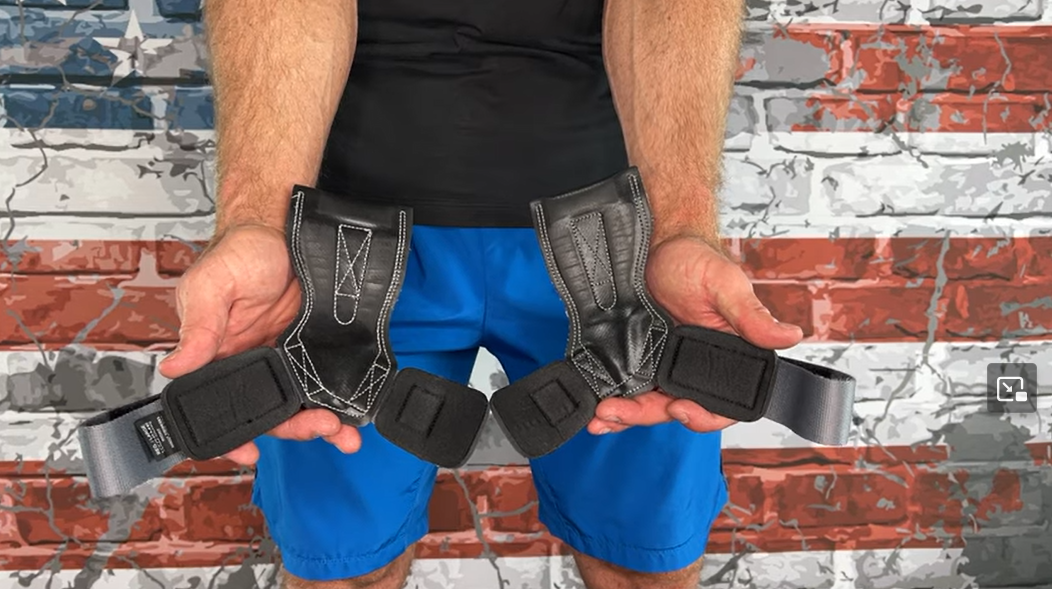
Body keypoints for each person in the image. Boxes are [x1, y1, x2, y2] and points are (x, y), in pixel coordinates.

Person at [158, 0, 804, 587]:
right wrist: (257, 220)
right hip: (350, 249)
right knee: (342, 570)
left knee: (642, 564)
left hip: (611, 242)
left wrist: (679, 225)